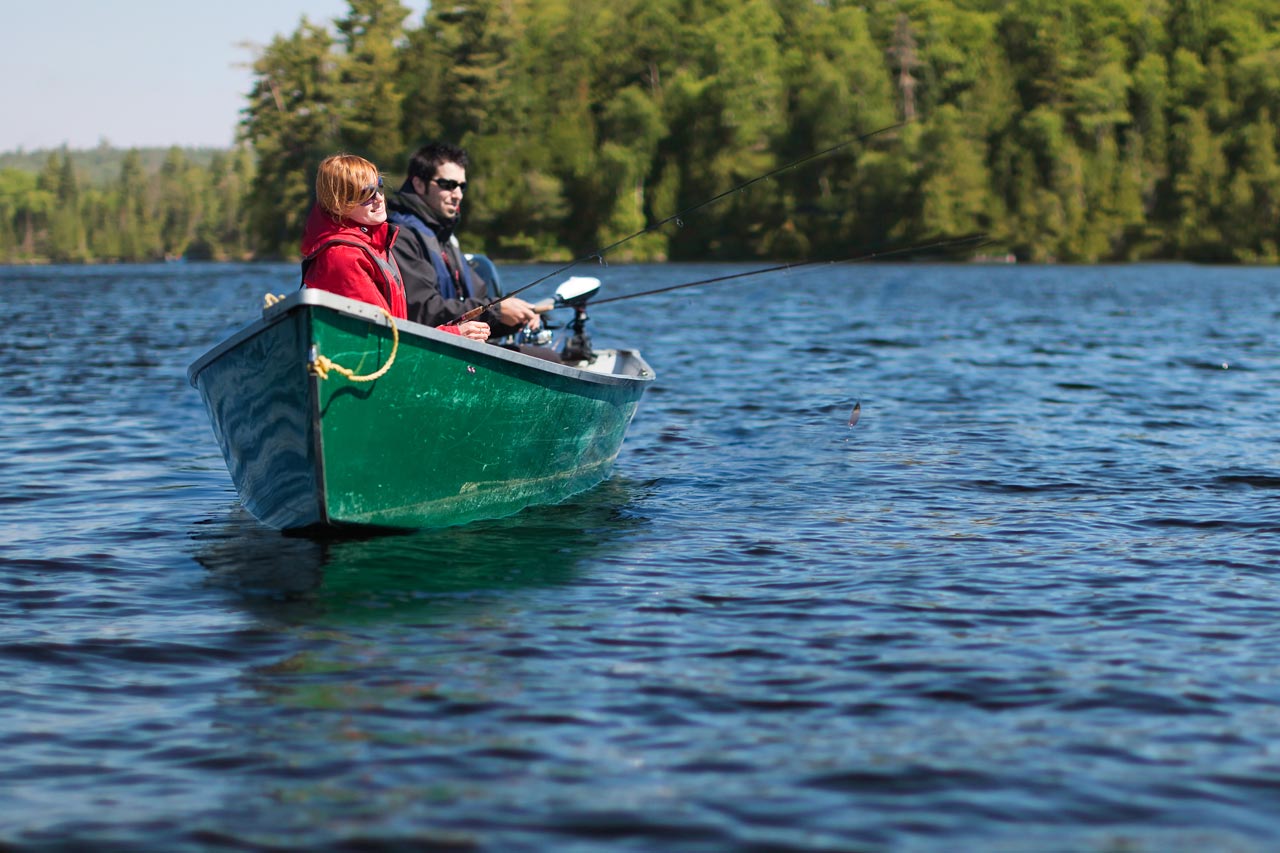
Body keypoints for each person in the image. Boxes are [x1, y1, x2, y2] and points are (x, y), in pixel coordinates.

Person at [301, 153, 489, 341]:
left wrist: (451, 331)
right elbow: (378, 339)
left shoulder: (379, 245)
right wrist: (454, 335)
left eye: (379, 187)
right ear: (338, 204)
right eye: (365, 194)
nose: (379, 199)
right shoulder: (343, 257)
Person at [386, 143, 540, 336]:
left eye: (462, 186)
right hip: (426, 351)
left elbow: (480, 299)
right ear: (418, 184)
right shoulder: (400, 235)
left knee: (546, 356)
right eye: (447, 185)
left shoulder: (444, 237)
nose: (457, 194)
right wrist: (496, 310)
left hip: (457, 346)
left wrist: (516, 315)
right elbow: (423, 309)